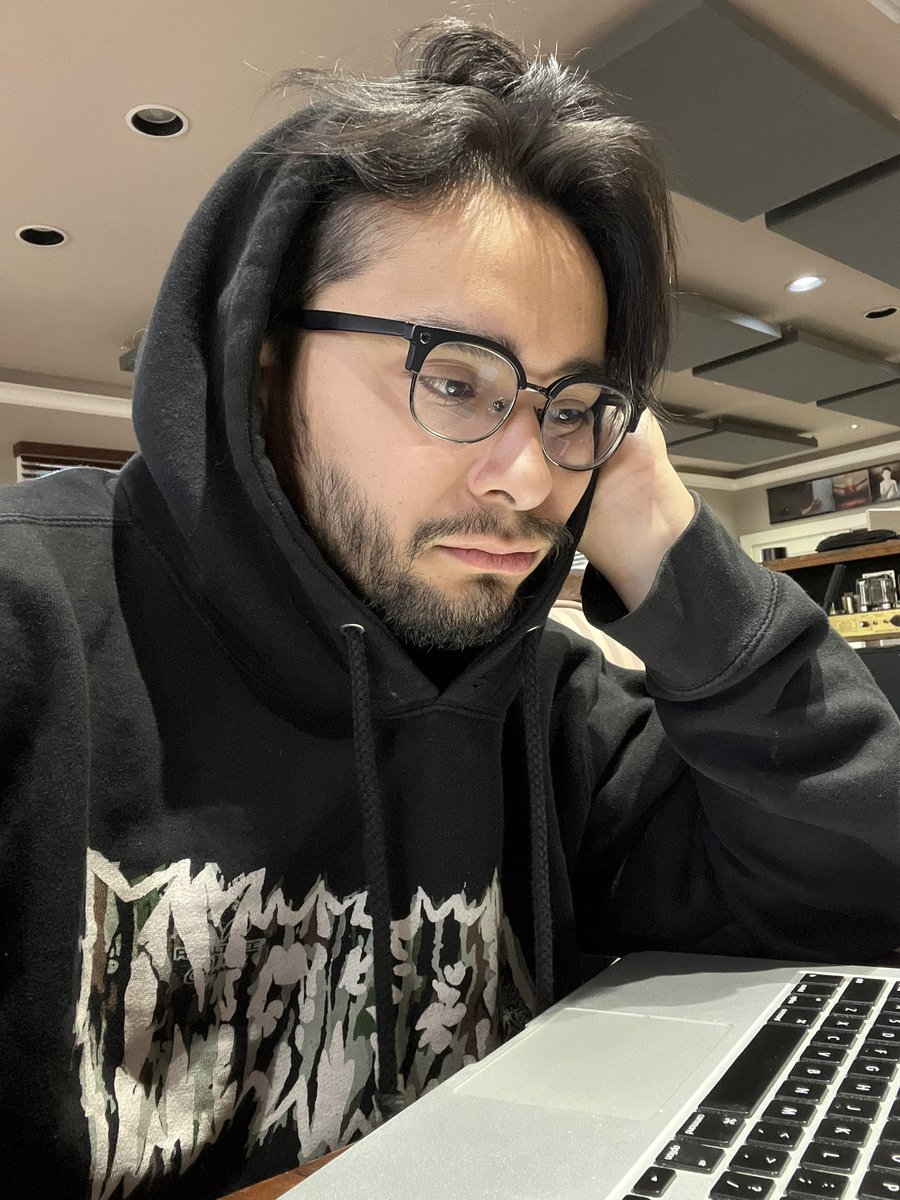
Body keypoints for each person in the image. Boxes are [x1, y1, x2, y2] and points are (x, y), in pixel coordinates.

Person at [1, 19, 898, 1200]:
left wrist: (657, 526)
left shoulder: (548, 705)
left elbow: (857, 894)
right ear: (261, 367)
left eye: (570, 408)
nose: (526, 480)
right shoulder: (29, 630)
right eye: (456, 380)